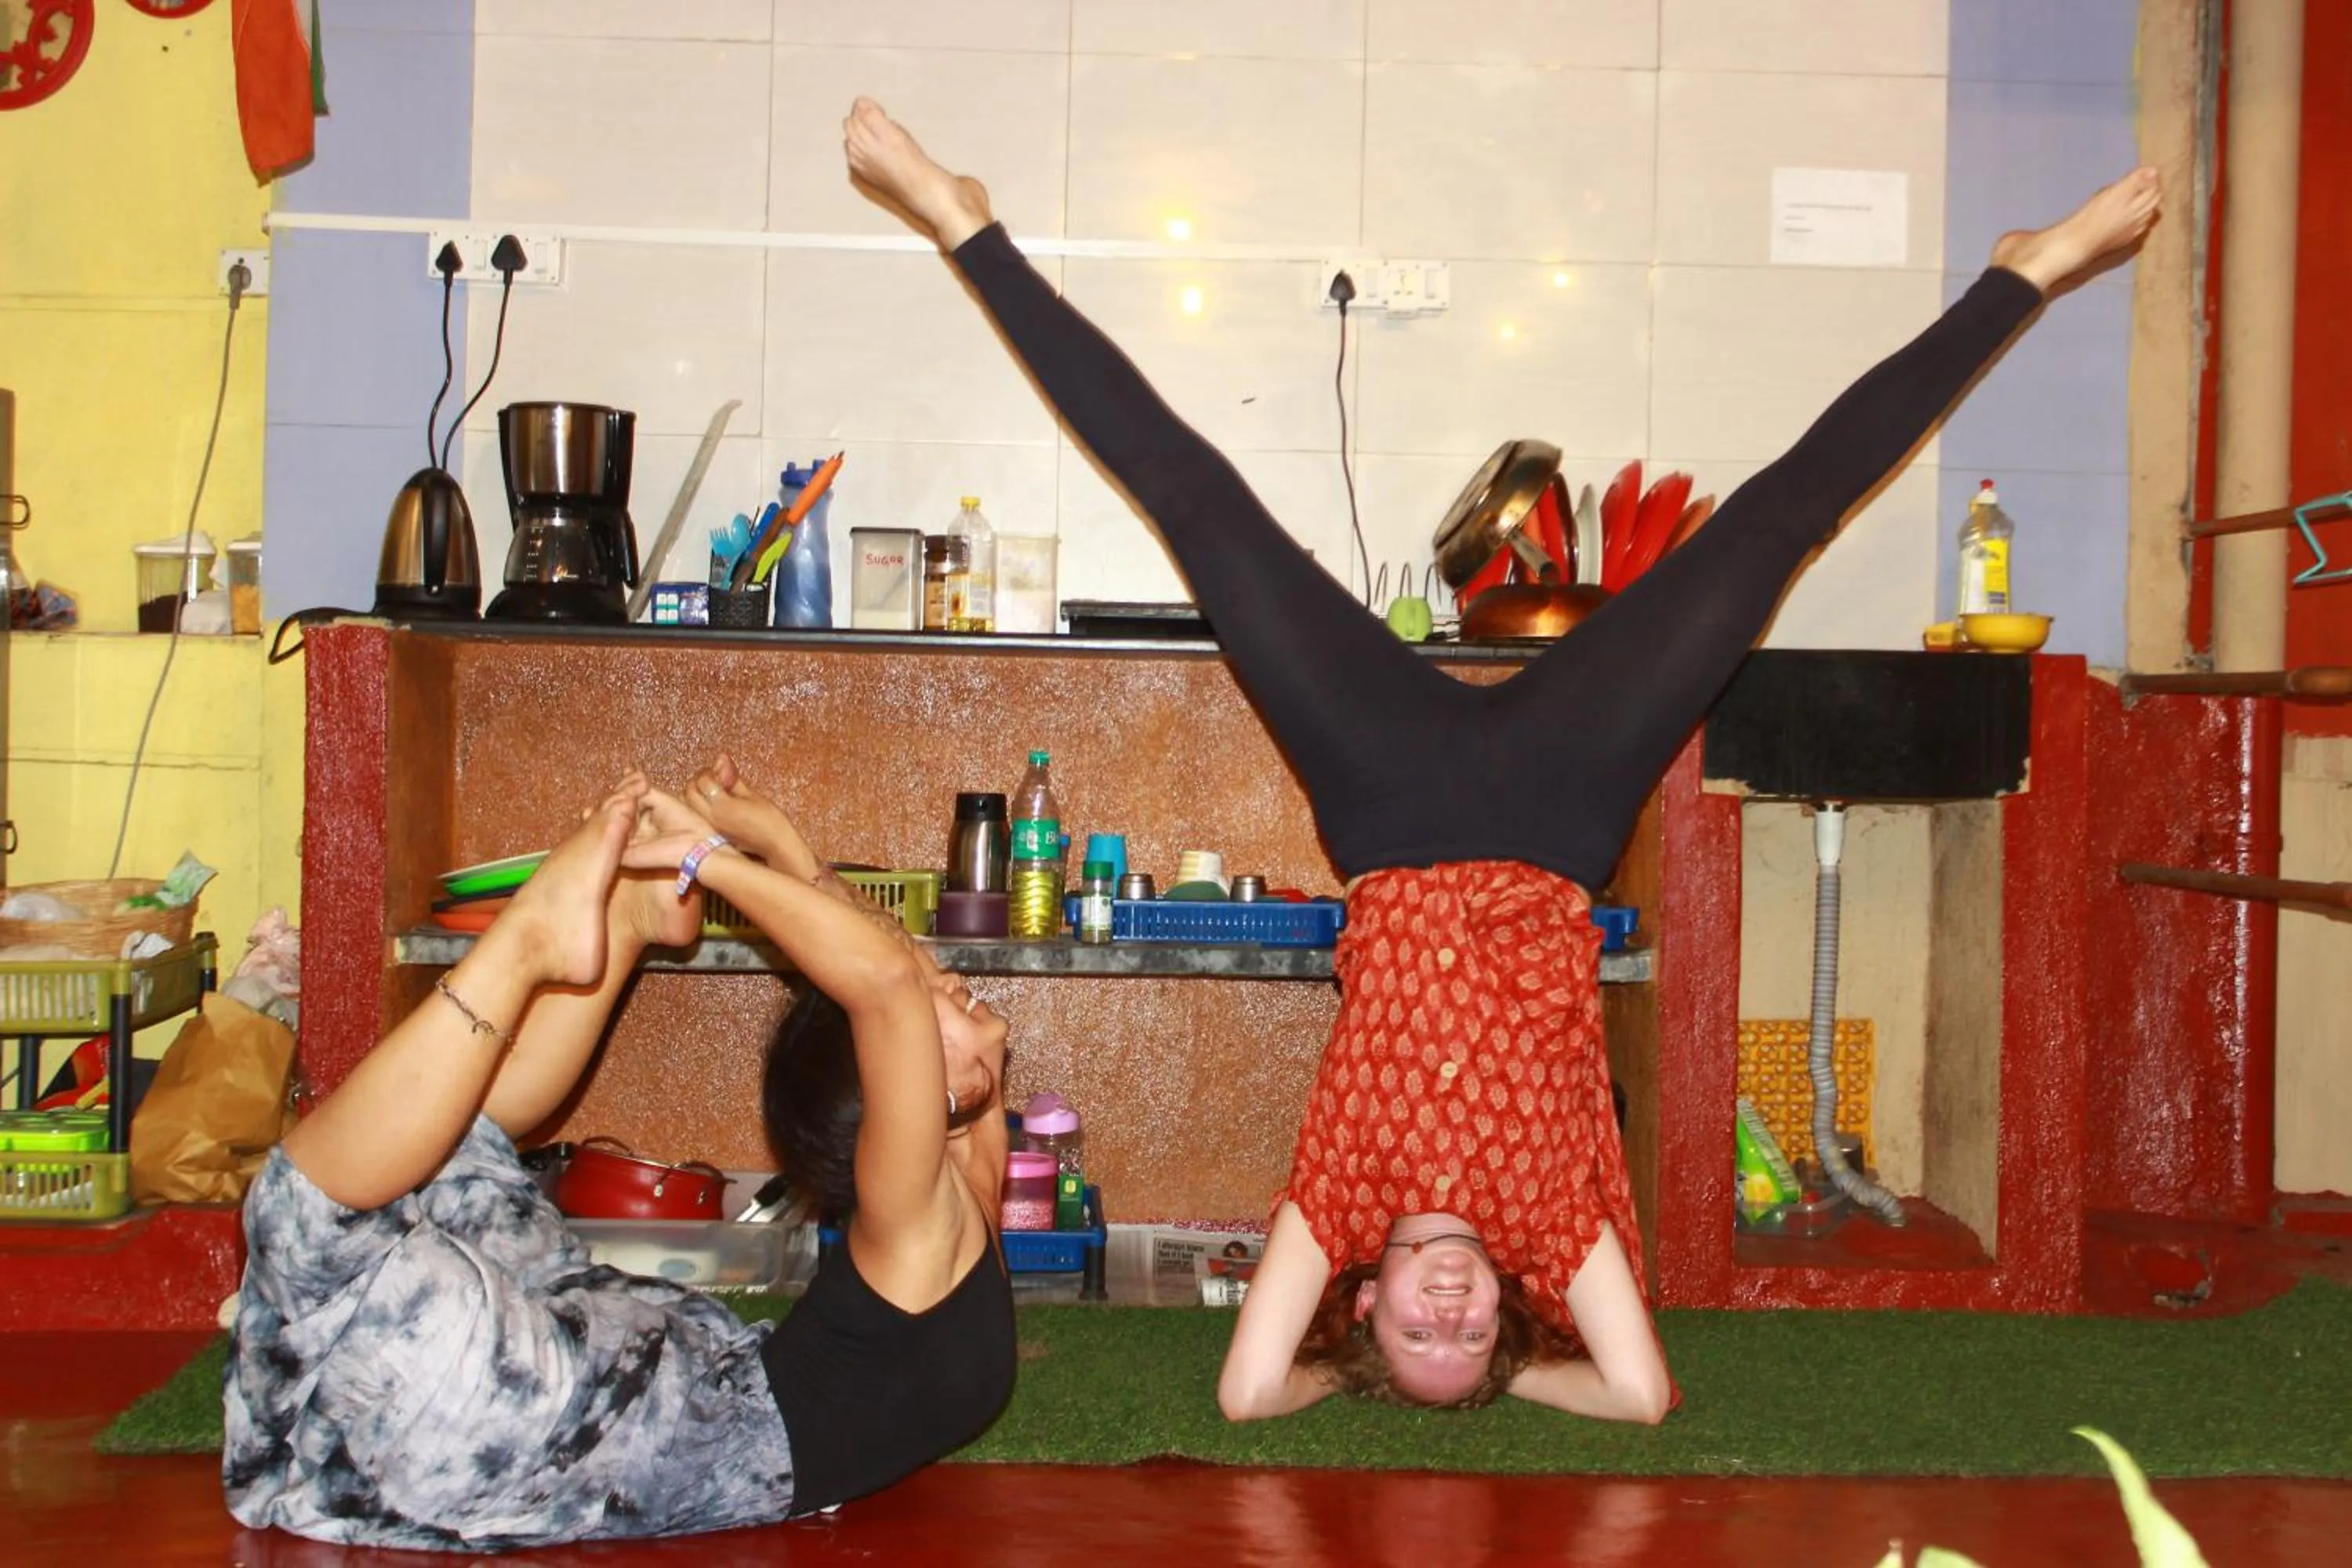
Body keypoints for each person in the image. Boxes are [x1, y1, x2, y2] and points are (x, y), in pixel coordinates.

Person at [840, 97, 2162, 1421]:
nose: (1452, 1316)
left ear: (1365, 1302)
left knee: (1197, 505)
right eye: (1473, 1346)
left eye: (1416, 1334)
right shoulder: (1554, 1224)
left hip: (1386, 797)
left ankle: (965, 224)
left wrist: (1354, 1365)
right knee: (1777, 527)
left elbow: (1246, 1393)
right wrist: (1529, 1366)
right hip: (1561, 807)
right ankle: (2023, 274)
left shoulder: (1341, 1200)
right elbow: (1643, 1396)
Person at [223, 760, 1015, 1549]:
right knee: (451, 1150)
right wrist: (777, 839)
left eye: (932, 994)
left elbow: (884, 982)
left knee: (303, 1212)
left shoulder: (916, 1208)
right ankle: (627, 920)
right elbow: (891, 967)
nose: (940, 977)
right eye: (935, 982)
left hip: (574, 1426)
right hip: (668, 1379)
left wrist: (709, 859)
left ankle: (527, 943)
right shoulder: (964, 1157)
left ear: (909, 1094)